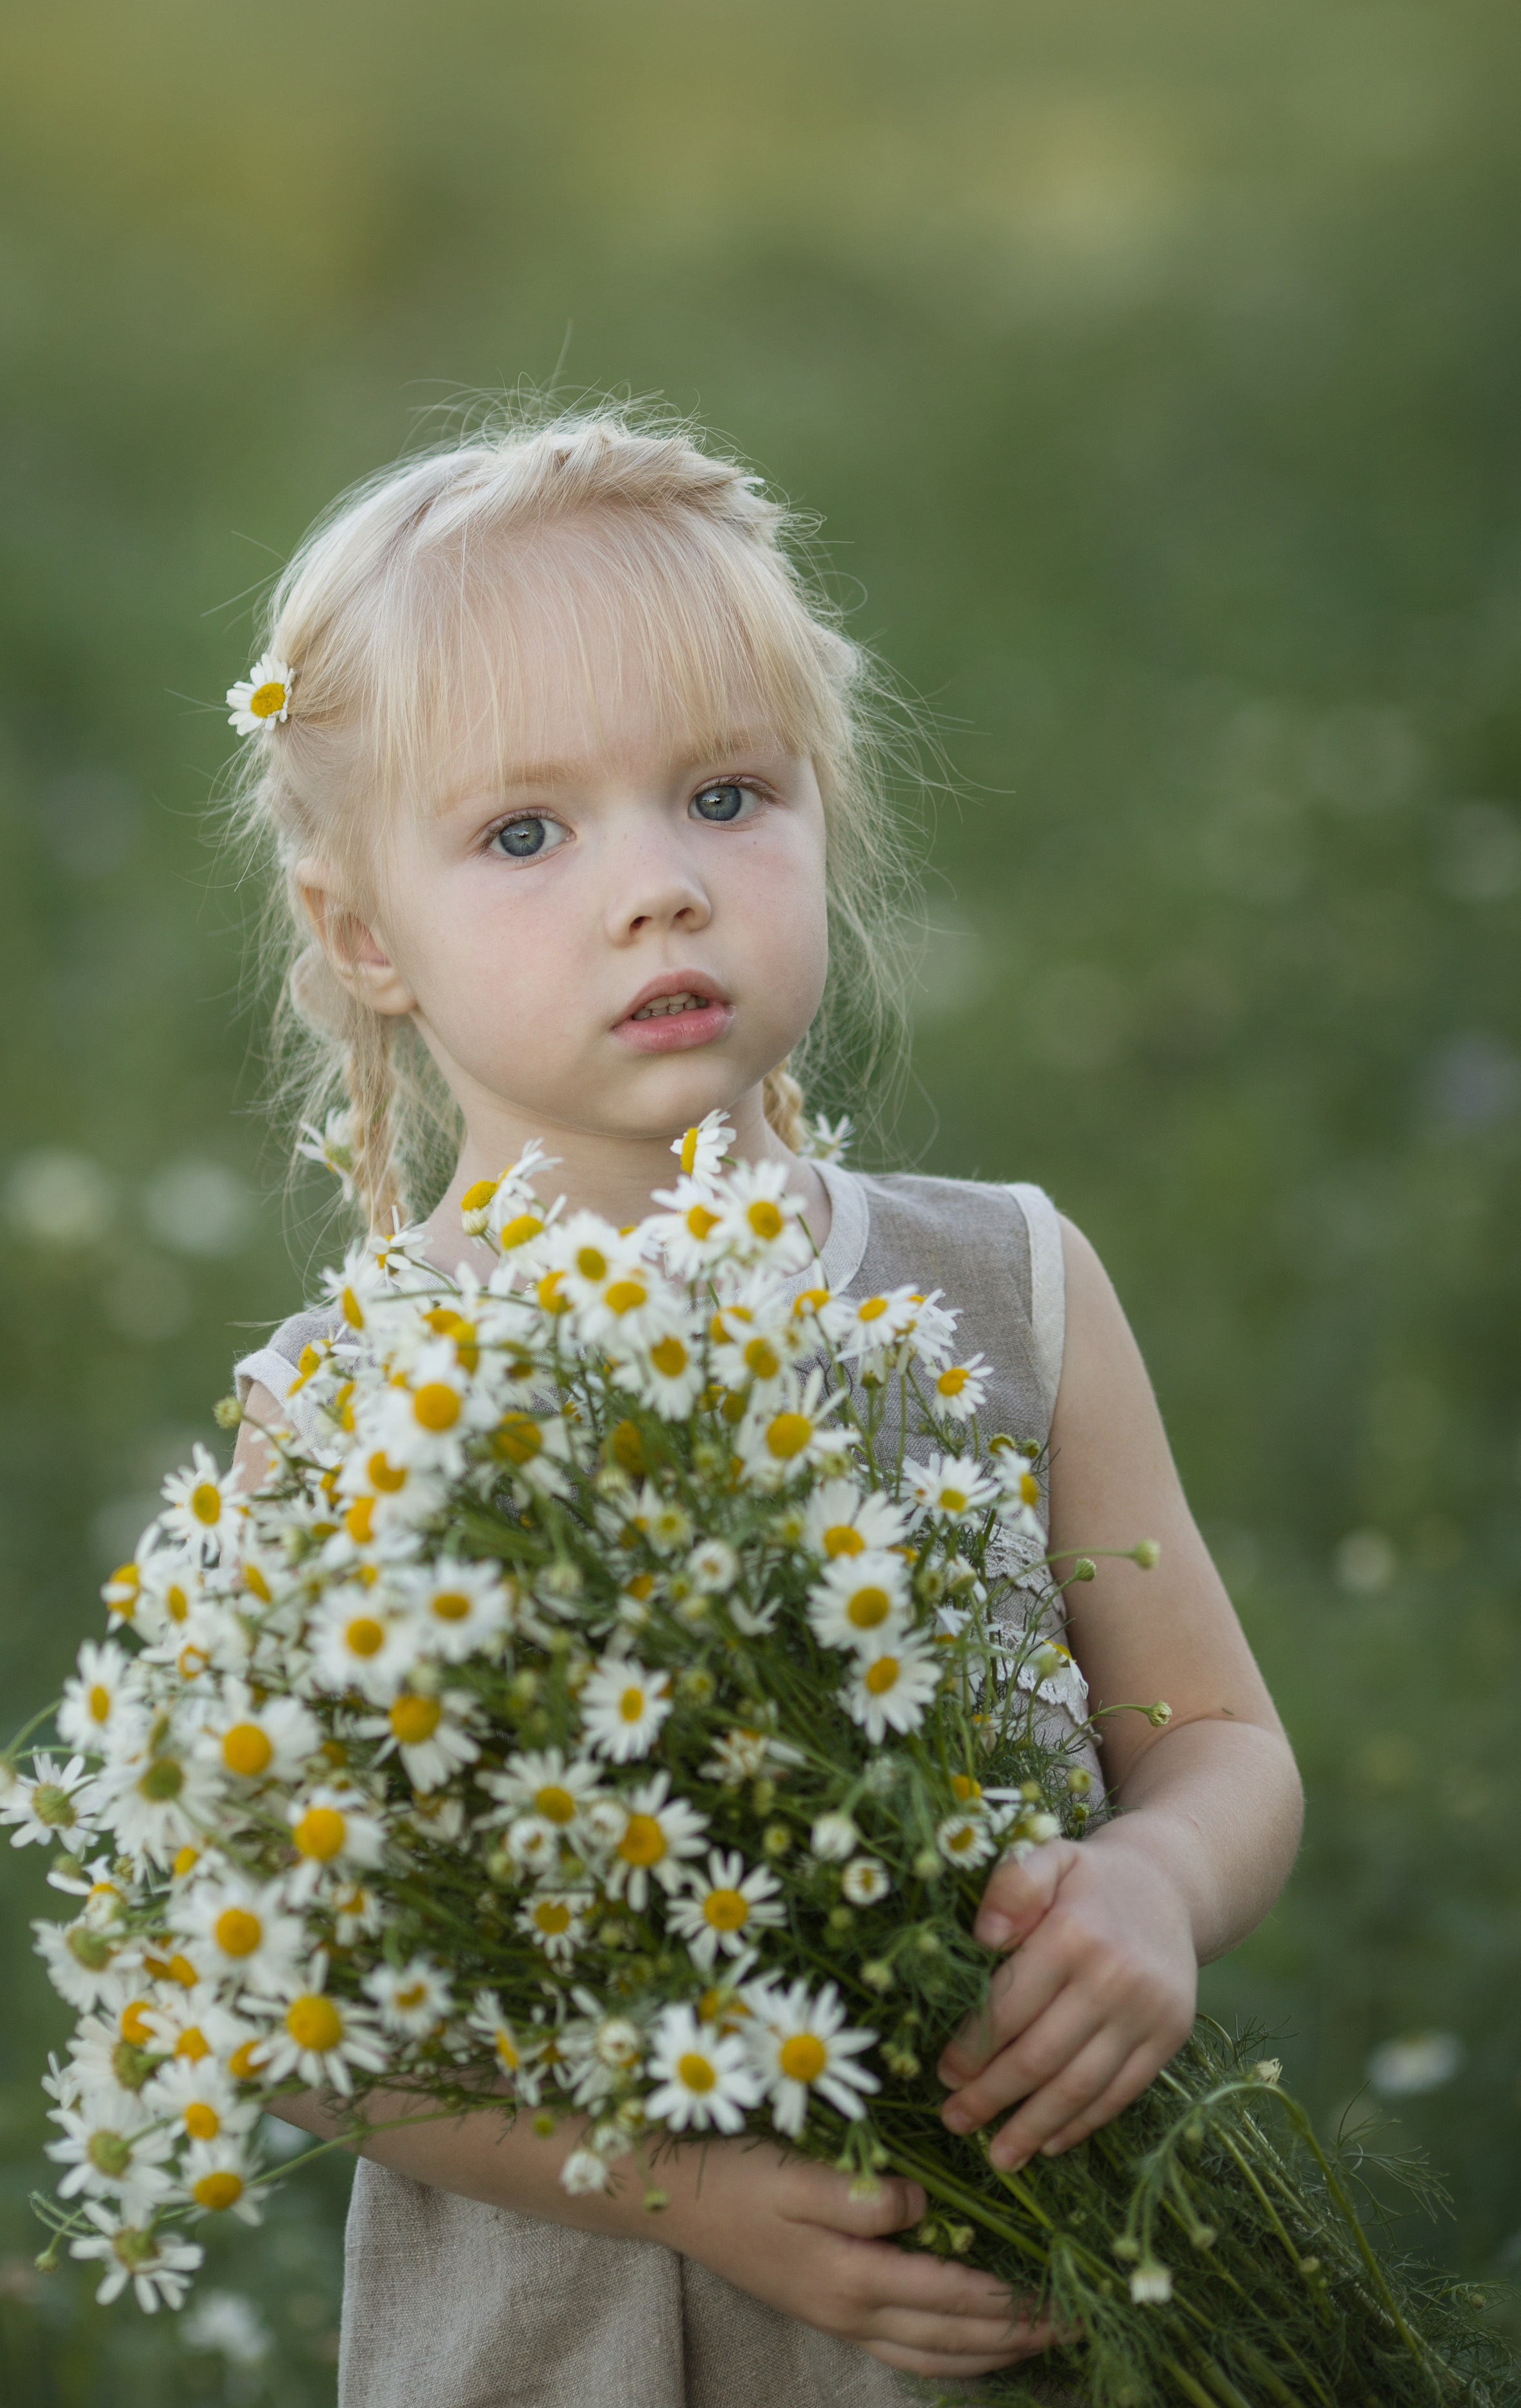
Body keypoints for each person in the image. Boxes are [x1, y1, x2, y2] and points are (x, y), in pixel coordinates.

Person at [227, 409, 1303, 2405]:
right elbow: (286, 2000)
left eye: (726, 794)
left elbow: (1219, 1739)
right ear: (364, 936)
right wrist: (679, 2190)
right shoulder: (360, 1405)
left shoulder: (1003, 1288)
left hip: (1008, 2309)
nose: (659, 889)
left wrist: (1157, 1880)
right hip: (572, 2343)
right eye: (527, 834)